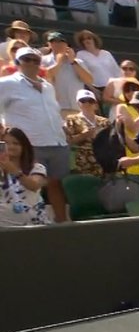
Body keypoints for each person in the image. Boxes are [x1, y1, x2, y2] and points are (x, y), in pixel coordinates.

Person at [0, 47, 70, 222]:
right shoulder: (6, 83)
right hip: (28, 145)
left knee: (56, 185)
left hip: (57, 142)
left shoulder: (48, 86)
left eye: (35, 60)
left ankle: (62, 226)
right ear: (17, 63)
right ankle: (19, 224)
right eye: (27, 59)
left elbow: (53, 111)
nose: (32, 63)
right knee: (24, 185)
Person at [0, 126, 52, 227]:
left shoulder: (37, 168)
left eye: (15, 143)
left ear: (24, 146)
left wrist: (14, 171)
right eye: (5, 143)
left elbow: (34, 185)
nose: (10, 147)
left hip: (33, 225)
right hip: (4, 224)